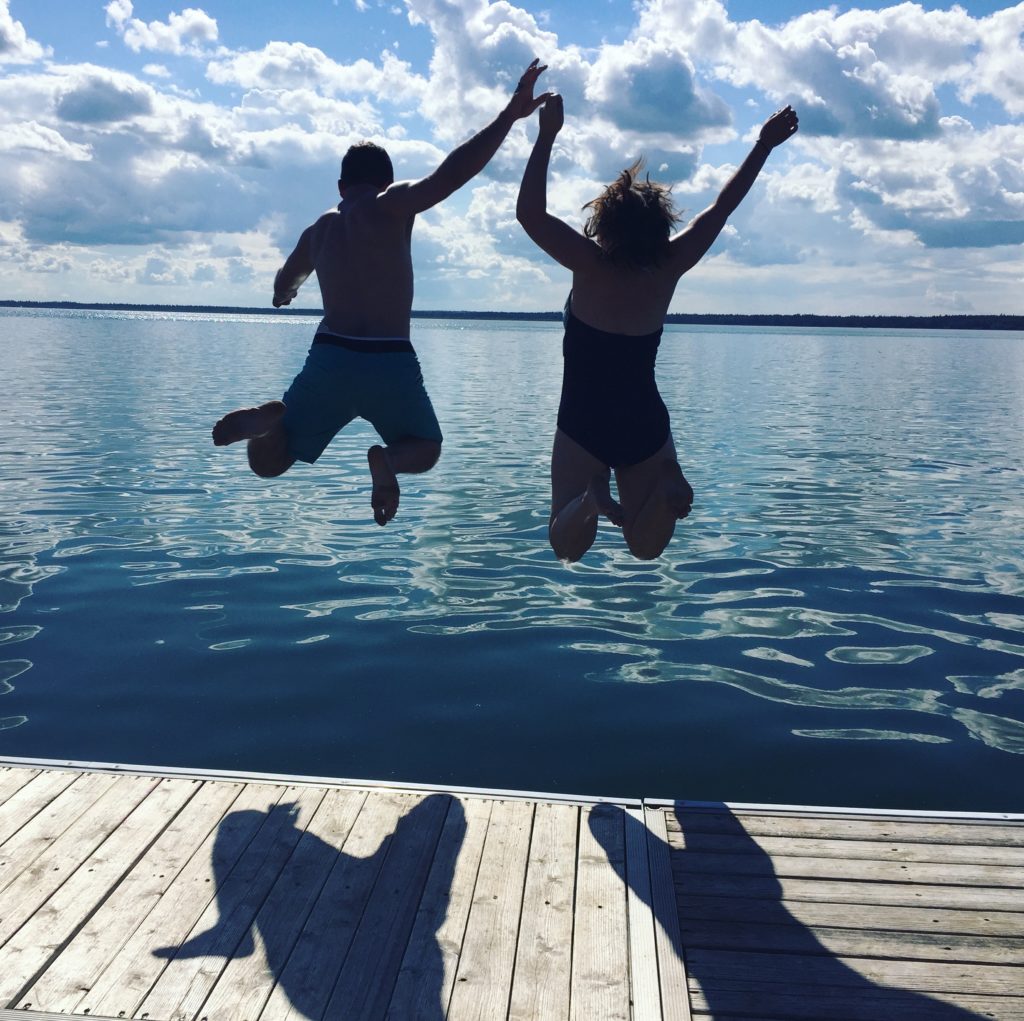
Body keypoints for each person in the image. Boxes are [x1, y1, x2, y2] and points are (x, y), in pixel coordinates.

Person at [212, 60, 551, 526]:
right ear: (386, 182)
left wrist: (283, 297)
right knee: (427, 449)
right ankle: (387, 461)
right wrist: (510, 115)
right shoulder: (392, 205)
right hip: (390, 358)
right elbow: (450, 174)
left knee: (268, 462)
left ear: (340, 187)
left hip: (331, 357)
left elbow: (282, 284)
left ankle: (267, 423)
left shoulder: (319, 231)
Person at [516, 95, 798, 561]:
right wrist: (762, 146)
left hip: (583, 416)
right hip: (642, 419)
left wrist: (546, 136)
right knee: (646, 548)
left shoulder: (588, 264)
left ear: (603, 225)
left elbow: (529, 214)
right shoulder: (669, 266)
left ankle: (590, 501)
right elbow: (720, 209)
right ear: (660, 228)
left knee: (566, 545)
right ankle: (664, 484)